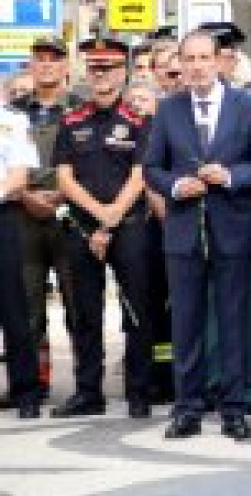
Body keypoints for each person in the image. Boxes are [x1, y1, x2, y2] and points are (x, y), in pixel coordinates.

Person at [144, 29, 251, 440]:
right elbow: (152, 167)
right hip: (184, 229)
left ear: (219, 61)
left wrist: (230, 177)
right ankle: (188, 408)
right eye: (190, 59)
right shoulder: (169, 109)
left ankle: (234, 408)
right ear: (180, 65)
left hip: (232, 225)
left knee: (234, 320)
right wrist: (176, 186)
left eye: (205, 58)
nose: (198, 67)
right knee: (186, 323)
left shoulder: (248, 105)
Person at [50, 38, 153, 420]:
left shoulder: (139, 121)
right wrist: (97, 216)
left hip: (129, 226)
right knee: (85, 313)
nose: (101, 76)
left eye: (108, 68)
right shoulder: (71, 121)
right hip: (81, 228)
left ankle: (139, 391)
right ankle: (88, 391)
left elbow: (140, 175)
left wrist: (111, 217)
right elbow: (64, 178)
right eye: (95, 68)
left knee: (136, 311)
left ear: (123, 72)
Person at [11, 36, 81, 400]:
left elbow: (93, 161)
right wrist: (25, 194)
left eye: (54, 58)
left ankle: (86, 383)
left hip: (70, 214)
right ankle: (33, 384)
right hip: (22, 214)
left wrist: (63, 193)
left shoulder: (82, 108)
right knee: (27, 307)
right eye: (40, 58)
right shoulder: (12, 113)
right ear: (31, 65)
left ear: (65, 66)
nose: (47, 65)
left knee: (78, 303)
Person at [0, 99, 43, 419]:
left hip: (2, 214)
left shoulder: (12, 120)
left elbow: (18, 178)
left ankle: (26, 391)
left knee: (13, 307)